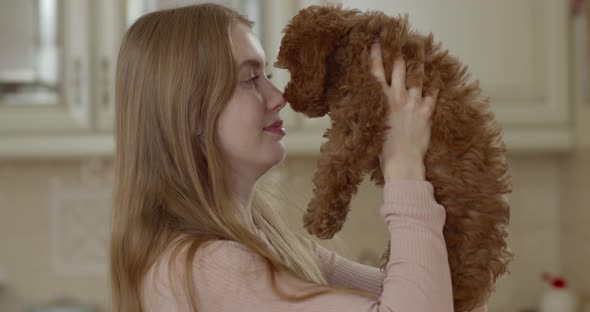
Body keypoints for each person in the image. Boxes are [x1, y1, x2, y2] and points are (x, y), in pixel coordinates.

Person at [110, 3, 485, 312]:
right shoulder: (206, 266)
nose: (278, 97)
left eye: (267, 75)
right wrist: (404, 166)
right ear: (190, 113)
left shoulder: (266, 243)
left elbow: (447, 299)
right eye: (249, 80)